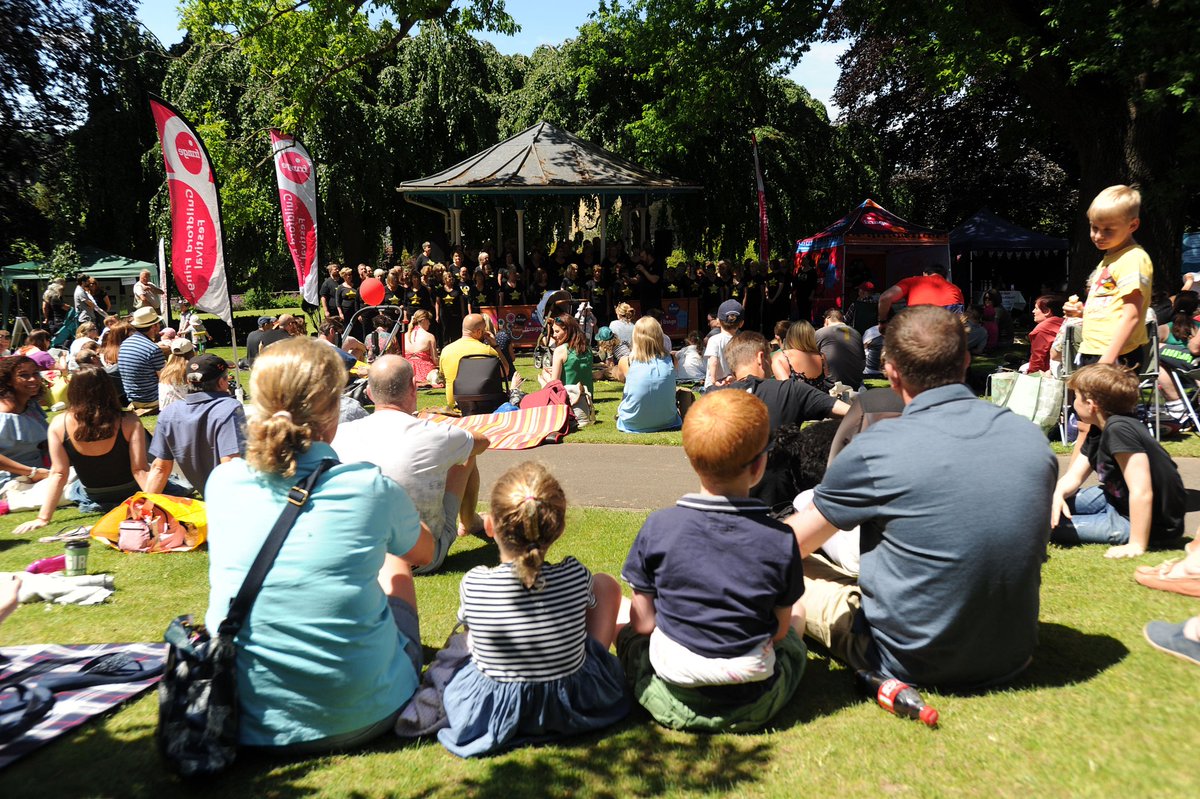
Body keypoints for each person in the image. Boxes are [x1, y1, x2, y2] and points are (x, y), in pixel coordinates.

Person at [783, 305, 1056, 689]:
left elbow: (789, 548)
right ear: (965, 359)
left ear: (891, 372)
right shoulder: (1030, 439)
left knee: (796, 569)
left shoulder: (878, 448)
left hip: (907, 660)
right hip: (1014, 653)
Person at [202, 337, 432, 751]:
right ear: (331, 410)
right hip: (367, 710)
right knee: (394, 562)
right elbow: (425, 552)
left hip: (245, 717)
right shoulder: (366, 484)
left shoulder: (222, 482)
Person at [617, 389, 808, 732]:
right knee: (799, 614)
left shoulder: (659, 526)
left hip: (669, 693)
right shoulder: (780, 539)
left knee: (627, 623)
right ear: (760, 465)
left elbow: (644, 624)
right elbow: (779, 631)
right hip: (756, 698)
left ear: (691, 459)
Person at [436, 461, 629, 757]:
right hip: (573, 702)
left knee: (461, 648)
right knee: (605, 584)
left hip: (497, 709)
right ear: (559, 528)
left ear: (490, 526)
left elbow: (471, 635)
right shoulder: (575, 574)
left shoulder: (474, 582)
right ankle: (593, 658)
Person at [334, 356, 489, 574]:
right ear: (414, 388)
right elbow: (482, 442)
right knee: (465, 453)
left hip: (361, 558)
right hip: (422, 558)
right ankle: (469, 521)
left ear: (369, 393)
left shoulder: (342, 434)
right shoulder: (435, 433)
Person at [1051, 364, 1185, 558]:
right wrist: (1057, 495)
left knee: (1041, 528)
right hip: (1114, 500)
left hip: (1143, 522)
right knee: (1039, 504)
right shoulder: (1098, 428)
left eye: (1077, 397)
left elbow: (1142, 491)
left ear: (1091, 404)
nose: (1073, 403)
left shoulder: (1120, 430)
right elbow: (1074, 475)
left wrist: (1136, 545)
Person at [13, 366, 162, 530]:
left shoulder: (58, 424)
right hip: (130, 490)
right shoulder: (129, 421)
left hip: (93, 495)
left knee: (72, 482)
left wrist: (43, 518)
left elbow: (59, 473)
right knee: (166, 479)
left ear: (73, 390)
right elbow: (139, 470)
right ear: (109, 389)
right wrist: (152, 506)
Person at [718, 332, 848, 510]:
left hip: (725, 508)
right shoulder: (791, 391)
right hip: (780, 510)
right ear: (761, 357)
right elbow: (849, 412)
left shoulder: (712, 398)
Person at [146, 354, 247, 499]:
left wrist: (145, 509)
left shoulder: (169, 412)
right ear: (221, 382)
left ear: (188, 381)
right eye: (227, 377)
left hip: (210, 499)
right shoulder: (230, 408)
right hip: (236, 501)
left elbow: (160, 468)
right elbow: (230, 465)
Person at [617, 317, 683, 433]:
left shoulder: (626, 361)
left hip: (633, 422)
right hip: (667, 420)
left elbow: (622, 379)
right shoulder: (672, 359)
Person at [0, 355, 50, 493]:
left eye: (35, 373)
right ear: (9, 381)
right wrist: (32, 472)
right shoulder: (4, 413)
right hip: (11, 479)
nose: (33, 379)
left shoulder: (31, 405)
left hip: (41, 472)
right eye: (24, 375)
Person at [440, 314, 504, 412]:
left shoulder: (446, 351)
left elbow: (444, 378)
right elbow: (505, 371)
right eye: (483, 331)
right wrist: (495, 345)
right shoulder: (487, 351)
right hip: (484, 407)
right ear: (478, 332)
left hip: (455, 407)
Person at [118, 306, 166, 413]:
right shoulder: (153, 349)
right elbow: (165, 379)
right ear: (154, 326)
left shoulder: (125, 344)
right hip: (151, 399)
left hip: (133, 398)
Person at [876, 264, 964, 319]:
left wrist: (882, 321)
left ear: (924, 274)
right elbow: (960, 317)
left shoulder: (912, 281)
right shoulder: (956, 289)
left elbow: (885, 298)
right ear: (945, 276)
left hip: (919, 331)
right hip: (947, 337)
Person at [541, 314, 594, 397]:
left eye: (557, 331)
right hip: (587, 399)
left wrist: (544, 378)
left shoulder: (560, 350)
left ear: (567, 331)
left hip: (568, 398)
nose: (554, 335)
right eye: (553, 331)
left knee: (545, 377)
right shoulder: (588, 349)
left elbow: (554, 384)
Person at [815, 309, 865, 389]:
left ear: (827, 319)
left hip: (830, 385)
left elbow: (810, 357)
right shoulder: (856, 333)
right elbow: (863, 360)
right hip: (855, 384)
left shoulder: (821, 332)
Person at [771, 320, 827, 387]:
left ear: (790, 336)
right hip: (820, 397)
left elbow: (786, 389)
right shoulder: (822, 357)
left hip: (795, 397)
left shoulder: (781, 357)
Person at [703, 299, 744, 388]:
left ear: (718, 321)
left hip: (716, 386)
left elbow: (713, 361)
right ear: (741, 323)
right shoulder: (742, 341)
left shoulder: (714, 340)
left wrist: (713, 381)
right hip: (734, 384)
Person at [1027, 294, 1065, 373]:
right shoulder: (1065, 322)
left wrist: (1031, 376)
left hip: (1050, 372)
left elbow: (1037, 360)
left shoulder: (1042, 330)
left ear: (1047, 311)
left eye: (1036, 308)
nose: (1033, 311)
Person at [403, 309, 439, 385]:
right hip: (425, 370)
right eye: (428, 320)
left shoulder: (405, 335)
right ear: (424, 320)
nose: (429, 323)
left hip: (407, 371)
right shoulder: (430, 336)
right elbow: (435, 360)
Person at [157, 338, 194, 411]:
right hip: (182, 410)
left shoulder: (166, 369)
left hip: (165, 411)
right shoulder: (188, 368)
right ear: (191, 352)